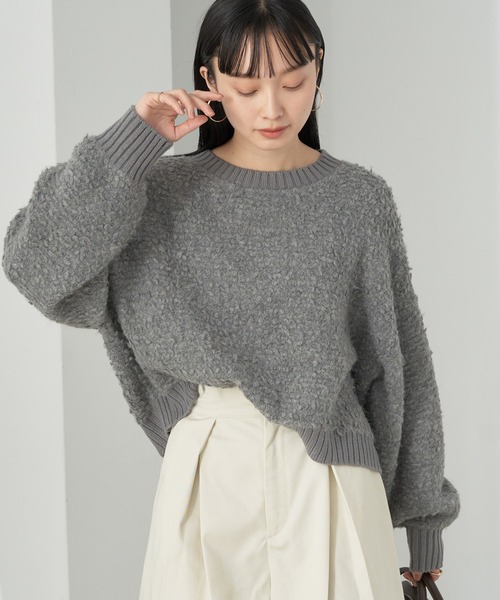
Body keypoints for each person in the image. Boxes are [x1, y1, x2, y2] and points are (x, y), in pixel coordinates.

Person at [2, 0, 460, 598]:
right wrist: (132, 141)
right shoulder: (156, 194)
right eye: (245, 87)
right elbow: (35, 266)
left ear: (318, 67)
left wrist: (424, 521)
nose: (272, 108)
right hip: (206, 474)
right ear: (209, 80)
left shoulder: (359, 201)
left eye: (293, 83)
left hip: (332, 479)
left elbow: (401, 364)